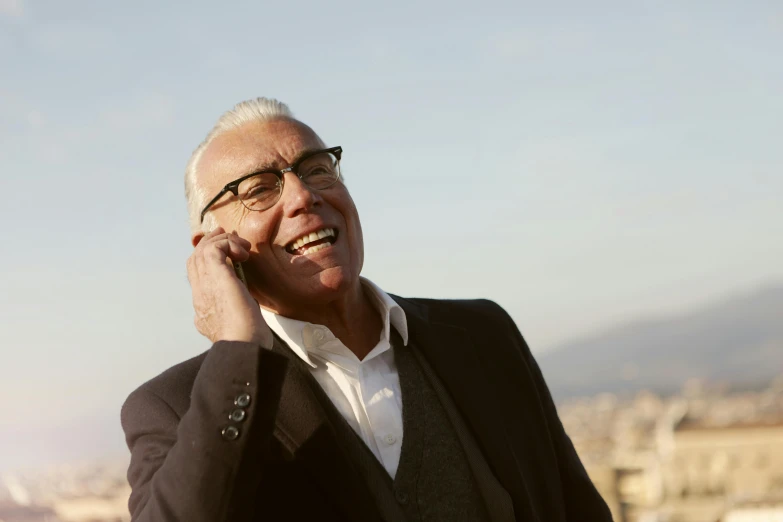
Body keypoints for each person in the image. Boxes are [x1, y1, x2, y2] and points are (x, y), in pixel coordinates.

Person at [121, 97, 613, 522]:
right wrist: (238, 351)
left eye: (316, 169)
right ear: (213, 246)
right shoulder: (173, 408)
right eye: (259, 189)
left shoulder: (482, 334)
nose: (303, 196)